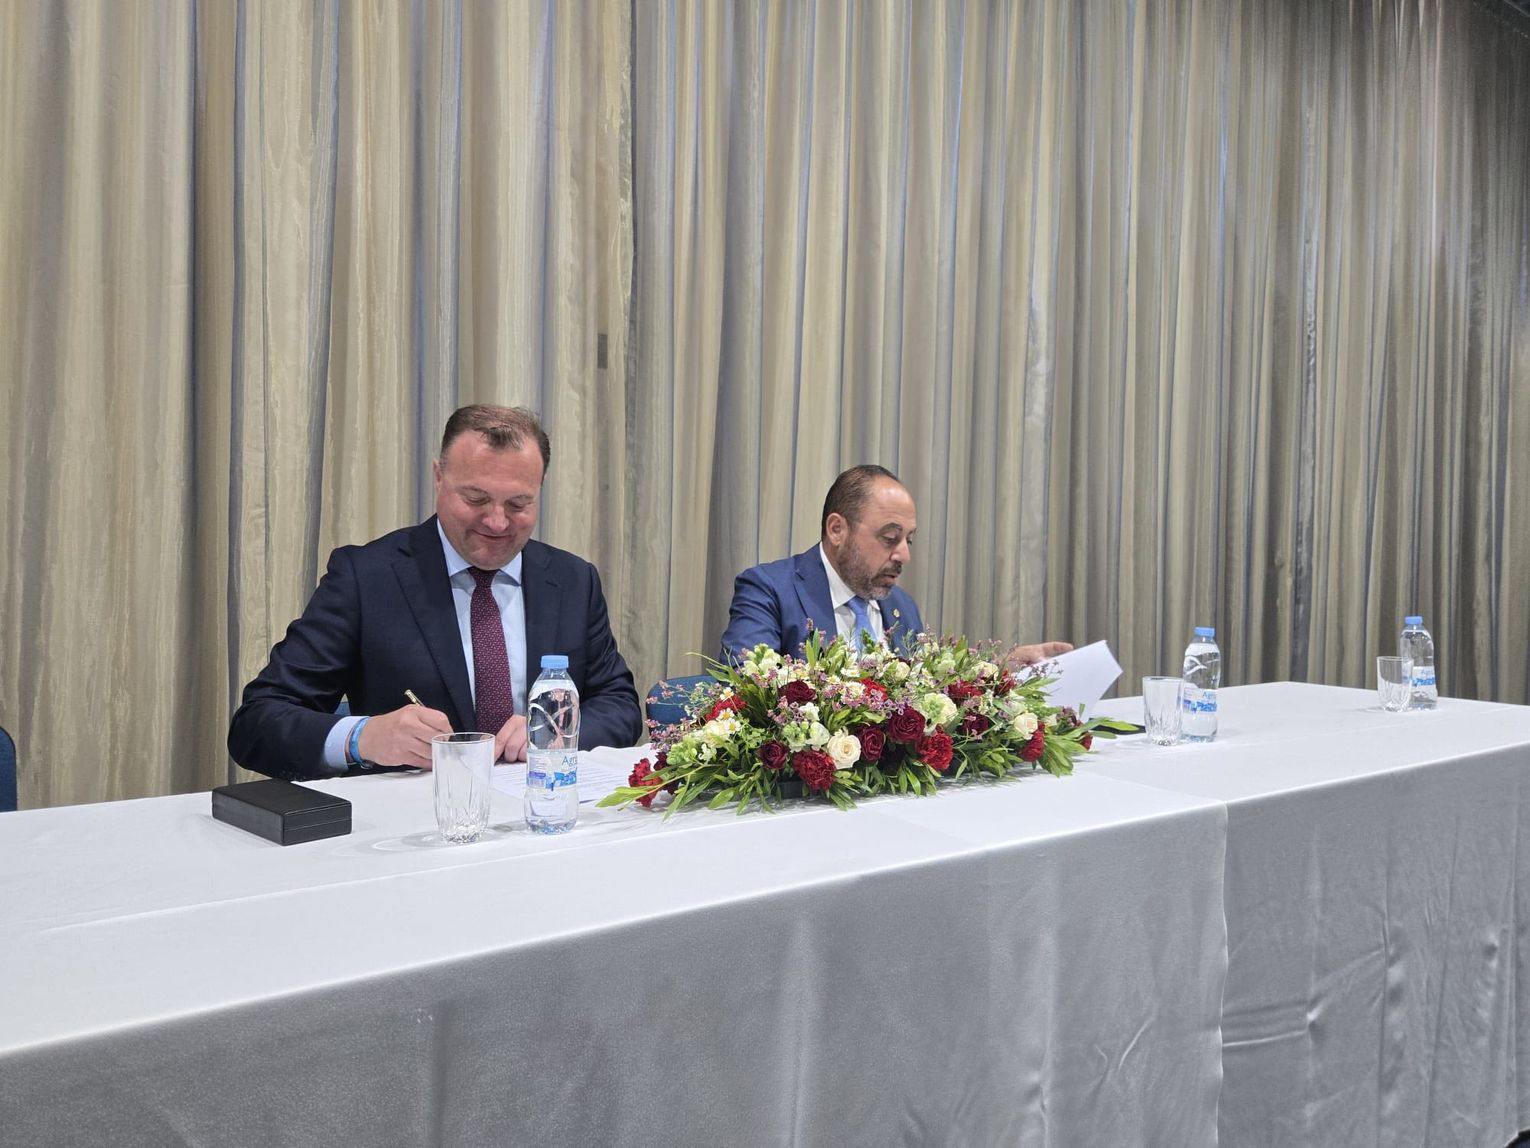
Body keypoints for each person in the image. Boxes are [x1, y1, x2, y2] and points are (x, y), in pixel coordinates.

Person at [229, 405, 643, 781]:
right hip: (414, 820)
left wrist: (561, 729)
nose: (497, 522)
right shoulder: (367, 578)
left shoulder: (572, 580)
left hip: (544, 809)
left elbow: (618, 703)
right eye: (476, 498)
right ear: (439, 477)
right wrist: (363, 737)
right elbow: (257, 722)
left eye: (519, 504)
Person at [719, 464, 1072, 667]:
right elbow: (747, 690)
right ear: (837, 529)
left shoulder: (901, 607)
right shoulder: (769, 590)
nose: (904, 555)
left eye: (909, 540)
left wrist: (996, 670)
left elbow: (926, 691)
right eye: (890, 538)